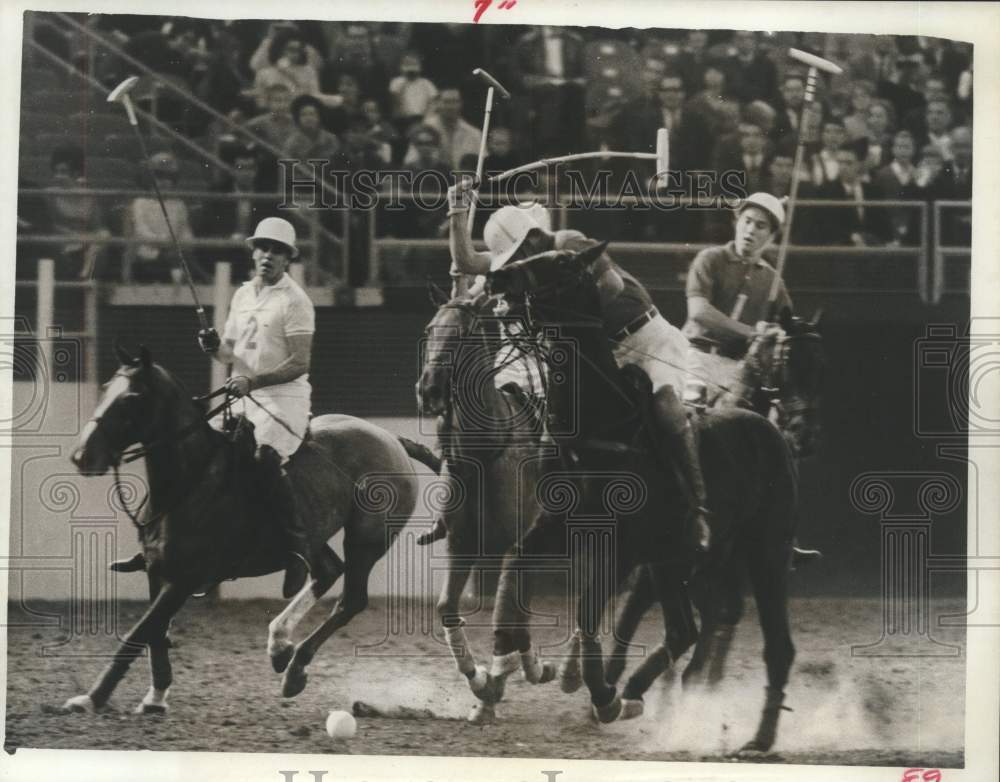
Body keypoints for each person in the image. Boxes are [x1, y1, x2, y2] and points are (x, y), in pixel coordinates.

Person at [440, 178, 712, 556]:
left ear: (535, 237)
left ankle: (698, 505)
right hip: (607, 351)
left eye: (519, 252)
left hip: (647, 339)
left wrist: (556, 304)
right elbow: (469, 262)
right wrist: (456, 211)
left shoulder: (569, 243)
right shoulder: (526, 262)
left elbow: (612, 287)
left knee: (666, 410)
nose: (515, 262)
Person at [198, 217, 318, 598]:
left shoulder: (295, 300)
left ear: (287, 259)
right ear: (253, 253)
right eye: (263, 248)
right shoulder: (243, 295)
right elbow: (231, 354)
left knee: (264, 458)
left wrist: (253, 381)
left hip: (284, 401)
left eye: (277, 251)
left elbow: (300, 363)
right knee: (203, 457)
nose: (268, 256)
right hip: (242, 397)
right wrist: (214, 348)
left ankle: (298, 549)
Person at [681, 192, 792, 401]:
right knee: (691, 410)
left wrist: (776, 332)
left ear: (771, 236)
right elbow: (698, 312)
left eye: (760, 226)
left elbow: (787, 328)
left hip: (740, 370)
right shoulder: (710, 259)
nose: (750, 229)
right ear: (736, 222)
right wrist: (751, 332)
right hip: (698, 358)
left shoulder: (772, 280)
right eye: (747, 221)